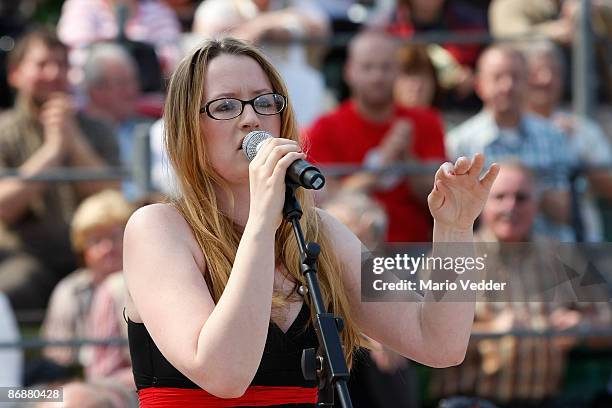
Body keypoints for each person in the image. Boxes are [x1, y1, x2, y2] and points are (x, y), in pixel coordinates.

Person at [123, 36, 499, 406]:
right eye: (225, 107)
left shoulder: (319, 231)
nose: (251, 118)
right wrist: (261, 223)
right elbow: (225, 375)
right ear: (189, 127)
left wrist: (455, 228)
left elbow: (439, 343)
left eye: (264, 102)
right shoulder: (157, 229)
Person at [0, 30, 120, 311]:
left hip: (96, 254)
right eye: (42, 65)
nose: (54, 73)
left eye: (62, 64)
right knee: (8, 290)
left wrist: (74, 140)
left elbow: (114, 196)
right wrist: (52, 152)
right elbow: (4, 206)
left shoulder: (98, 127)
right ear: (15, 74)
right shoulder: (3, 132)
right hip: (26, 257)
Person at [306, 31, 447, 243]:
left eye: (385, 67)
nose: (377, 76)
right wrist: (382, 161)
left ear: (398, 71)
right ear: (349, 71)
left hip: (415, 251)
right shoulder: (324, 127)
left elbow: (441, 198)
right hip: (349, 251)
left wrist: (408, 157)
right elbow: (325, 201)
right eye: (367, 67)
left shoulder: (427, 122)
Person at [446, 44, 577, 241]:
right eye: (498, 77)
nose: (507, 86)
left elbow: (564, 210)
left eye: (515, 77)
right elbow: (456, 214)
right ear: (480, 84)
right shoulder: (460, 142)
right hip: (486, 255)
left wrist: (510, 191)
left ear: (527, 82)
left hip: (549, 254)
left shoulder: (552, 136)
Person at [524, 41, 612, 242]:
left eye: (554, 72)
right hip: (524, 251)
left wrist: (578, 155)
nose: (545, 79)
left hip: (579, 248)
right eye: (537, 71)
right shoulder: (507, 130)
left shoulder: (580, 130)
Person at [41, 189, 133, 371]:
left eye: (115, 237)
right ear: (82, 249)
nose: (108, 248)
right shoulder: (69, 289)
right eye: (97, 241)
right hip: (82, 381)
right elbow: (57, 356)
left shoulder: (147, 284)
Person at [82, 42, 154, 200]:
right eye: (122, 83)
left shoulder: (151, 129)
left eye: (133, 81)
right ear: (96, 89)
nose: (132, 90)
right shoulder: (77, 131)